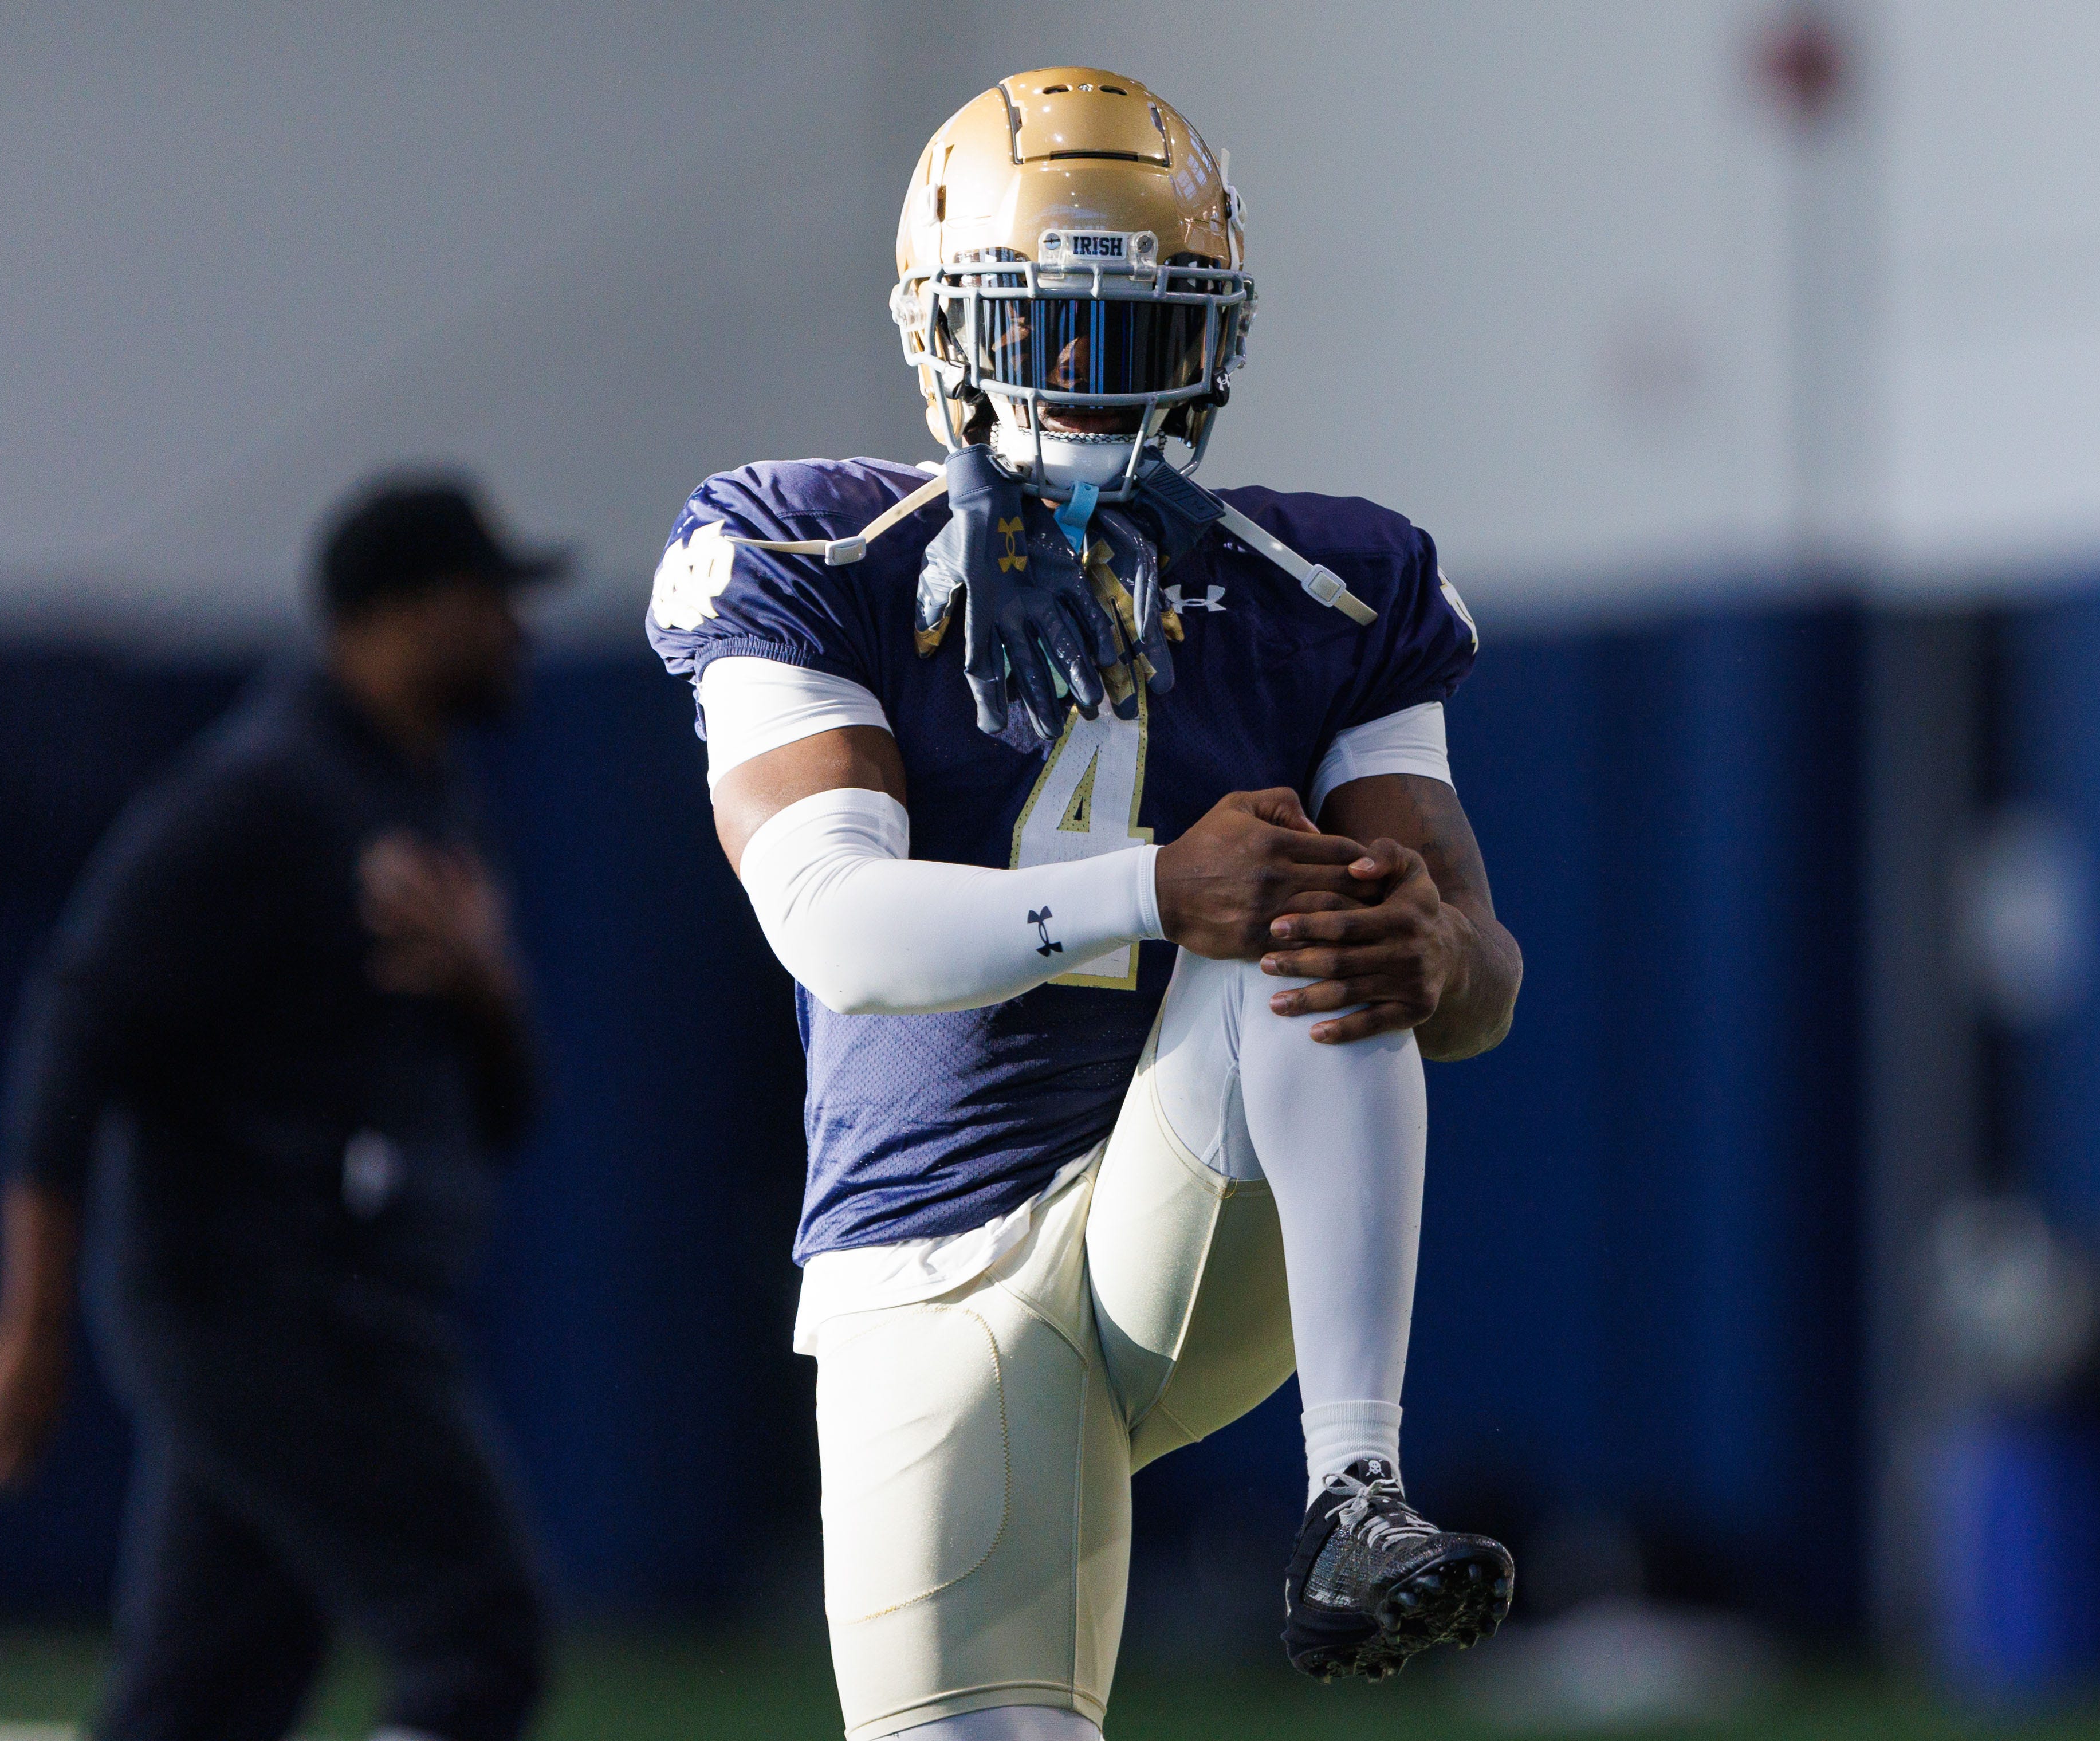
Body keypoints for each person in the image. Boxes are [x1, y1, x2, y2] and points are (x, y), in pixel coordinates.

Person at [647, 69, 1521, 1738]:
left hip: (1187, 1196)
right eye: (1043, 326)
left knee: (1320, 918)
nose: (1087, 377)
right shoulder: (813, 545)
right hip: (933, 1262)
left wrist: (1434, 946)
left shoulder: (1327, 581)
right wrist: (1152, 890)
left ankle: (1354, 1493)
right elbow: (827, 915)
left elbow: (1478, 978)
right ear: (940, 328)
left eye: (1136, 331)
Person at [0, 474, 557, 1741]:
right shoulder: (260, 792)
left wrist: (487, 987)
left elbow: (502, 1106)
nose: (518, 629)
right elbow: (78, 1023)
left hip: (339, 1298)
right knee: (478, 1632)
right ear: (397, 612)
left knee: (206, 1695)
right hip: (268, 1300)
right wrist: (34, 1318)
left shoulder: (425, 793)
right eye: (487, 598)